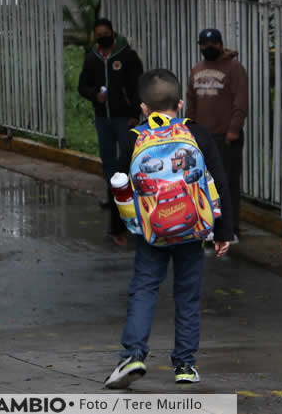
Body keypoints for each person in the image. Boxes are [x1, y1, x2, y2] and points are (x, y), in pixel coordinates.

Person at [103, 69, 233, 389]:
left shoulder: (133, 137)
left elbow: (119, 186)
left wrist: (118, 227)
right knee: (187, 295)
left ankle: (134, 354)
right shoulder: (197, 134)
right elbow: (219, 181)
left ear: (144, 108)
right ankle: (185, 365)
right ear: (180, 103)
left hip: (152, 232)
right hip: (192, 228)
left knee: (144, 289)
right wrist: (223, 231)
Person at [78, 18, 144, 247]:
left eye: (106, 33)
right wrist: (94, 94)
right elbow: (82, 85)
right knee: (108, 162)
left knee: (126, 161)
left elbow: (138, 87)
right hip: (103, 119)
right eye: (99, 34)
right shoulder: (92, 58)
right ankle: (113, 198)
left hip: (124, 118)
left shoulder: (127, 56)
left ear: (112, 34)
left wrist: (135, 113)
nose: (102, 37)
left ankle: (131, 204)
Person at [185, 29, 247, 243]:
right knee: (203, 183)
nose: (208, 47)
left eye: (212, 43)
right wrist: (189, 130)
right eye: (203, 44)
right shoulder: (197, 69)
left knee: (227, 184)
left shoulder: (234, 68)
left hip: (226, 136)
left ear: (221, 44)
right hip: (202, 136)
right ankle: (209, 225)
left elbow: (240, 102)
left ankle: (231, 230)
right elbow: (190, 102)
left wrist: (234, 130)